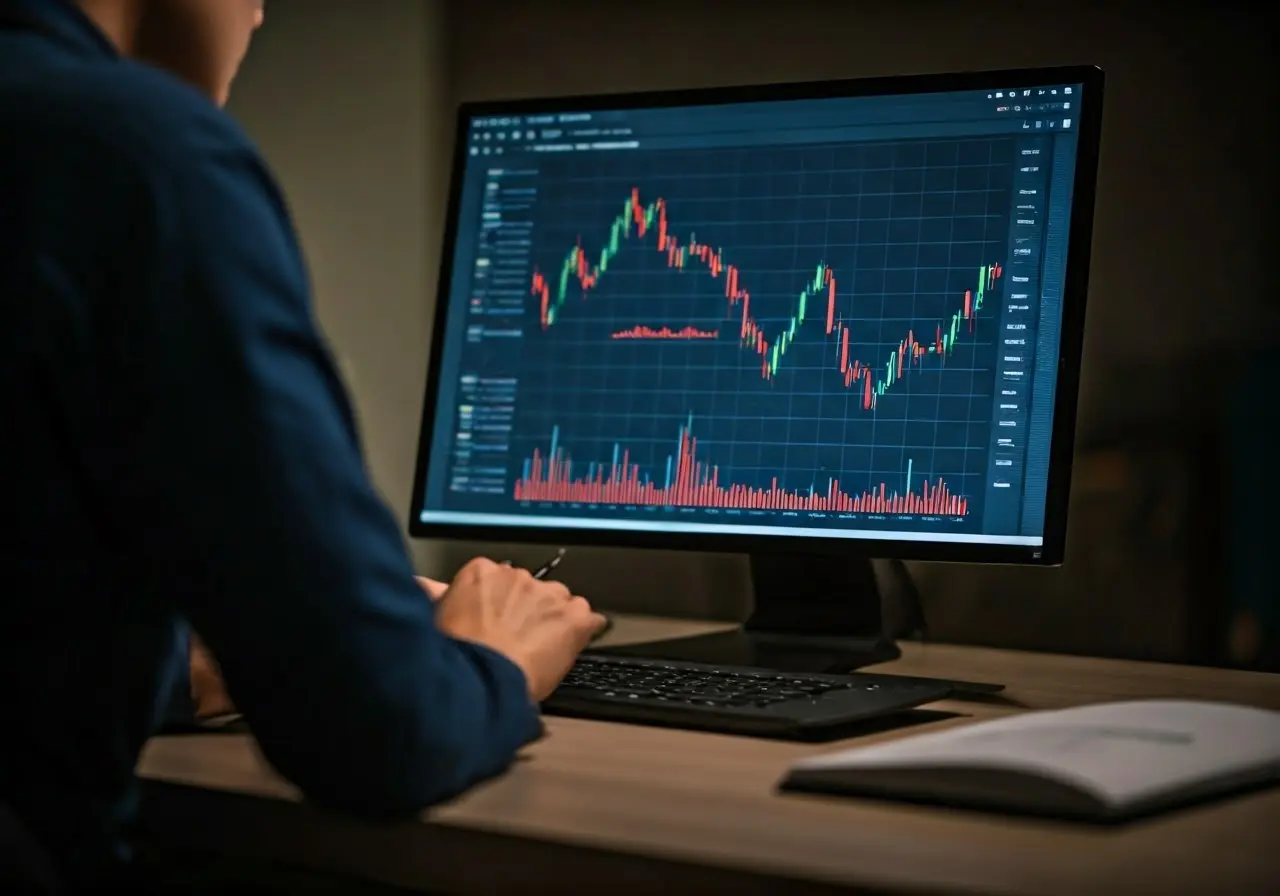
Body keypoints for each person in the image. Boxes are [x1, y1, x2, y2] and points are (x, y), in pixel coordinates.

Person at [0, 0, 606, 890]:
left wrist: (195, 665)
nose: (258, 11)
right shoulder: (136, 153)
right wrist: (492, 663)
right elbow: (376, 737)